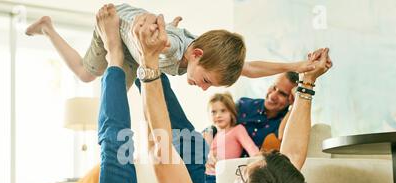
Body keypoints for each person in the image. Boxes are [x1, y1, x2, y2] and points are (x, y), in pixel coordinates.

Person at [96, 5, 332, 183]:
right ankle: (140, 52)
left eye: (242, 174)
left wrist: (146, 62)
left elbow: (161, 146)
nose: (237, 172)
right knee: (194, 147)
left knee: (118, 145)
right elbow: (293, 158)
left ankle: (116, 57)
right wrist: (307, 82)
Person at [25, 3, 319, 91]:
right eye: (205, 81)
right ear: (196, 54)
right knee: (87, 73)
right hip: (119, 25)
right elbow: (169, 46)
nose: (203, 88)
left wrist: (297, 66)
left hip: (138, 52)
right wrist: (162, 36)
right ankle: (48, 27)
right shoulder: (175, 48)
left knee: (103, 85)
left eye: (209, 86)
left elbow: (251, 68)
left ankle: (48, 28)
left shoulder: (206, 58)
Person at [204, 92, 260, 183]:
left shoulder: (237, 130)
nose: (218, 115)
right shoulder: (212, 134)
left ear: (231, 113)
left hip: (218, 178)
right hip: (204, 175)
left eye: (223, 111)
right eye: (213, 112)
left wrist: (258, 162)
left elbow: (252, 149)